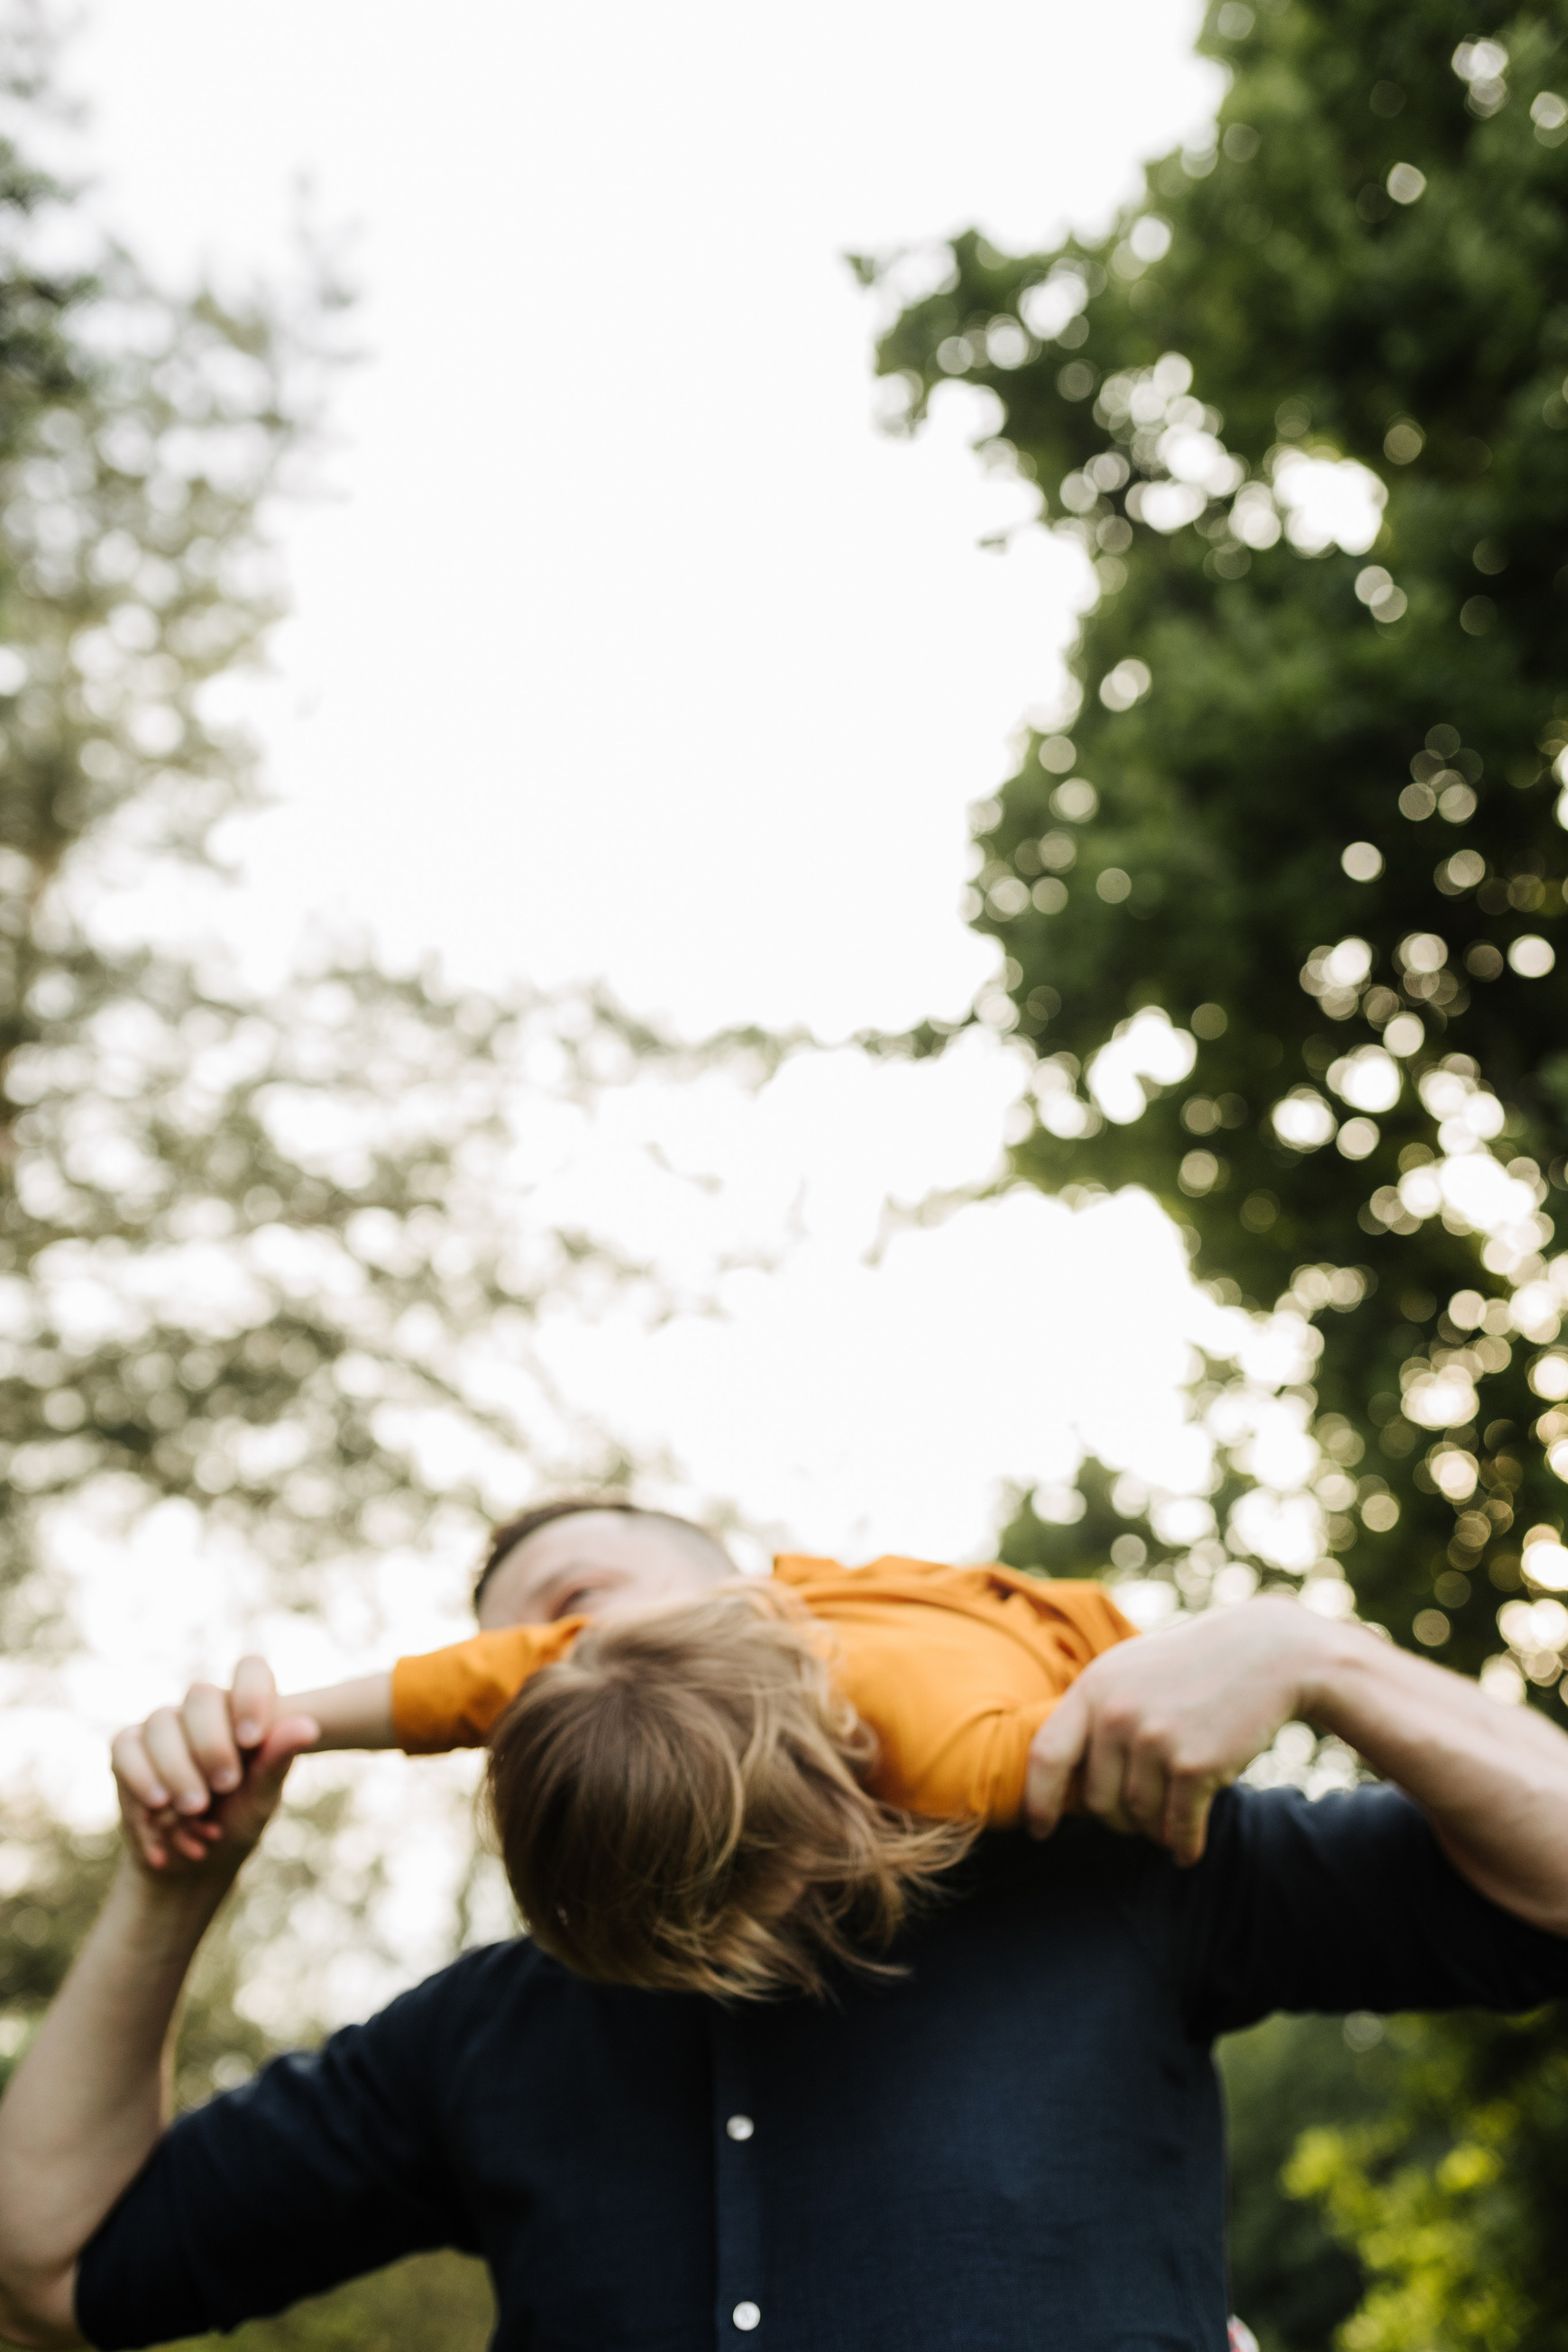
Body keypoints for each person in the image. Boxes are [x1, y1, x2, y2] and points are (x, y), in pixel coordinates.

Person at [3, 1539, 1568, 2351]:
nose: (565, 1664)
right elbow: (56, 2273)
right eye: (518, 1661)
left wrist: (1319, 1656)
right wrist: (172, 1886)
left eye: (593, 1609)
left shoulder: (1101, 1863)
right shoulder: (475, 2038)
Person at [109, 1500, 1141, 1997]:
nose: (551, 1666)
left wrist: (279, 1722)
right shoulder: (961, 1763)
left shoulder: (956, 1743)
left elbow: (462, 1685)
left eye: (574, 1608)